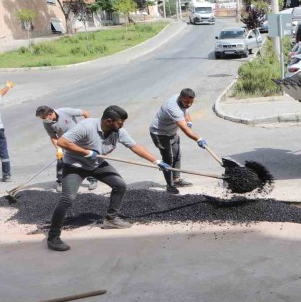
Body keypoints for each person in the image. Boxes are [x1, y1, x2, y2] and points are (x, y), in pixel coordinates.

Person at [47, 105, 170, 252]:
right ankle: (53, 237)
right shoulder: (86, 126)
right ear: (108, 121)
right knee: (68, 198)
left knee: (120, 185)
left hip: (96, 164)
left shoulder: (118, 131)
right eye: (119, 123)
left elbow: (135, 146)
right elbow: (62, 142)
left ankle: (111, 219)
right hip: (75, 165)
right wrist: (85, 152)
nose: (122, 126)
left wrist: (156, 161)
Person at [149, 88, 208, 194]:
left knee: (177, 156)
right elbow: (185, 129)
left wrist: (188, 121)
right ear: (180, 98)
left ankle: (176, 180)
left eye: (191, 102)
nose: (189, 104)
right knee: (168, 160)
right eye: (186, 102)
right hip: (160, 134)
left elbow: (185, 111)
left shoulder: (183, 100)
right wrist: (198, 139)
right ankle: (170, 185)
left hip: (171, 133)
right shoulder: (173, 107)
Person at [35, 105, 98, 192]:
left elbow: (85, 113)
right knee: (60, 159)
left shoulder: (65, 111)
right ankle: (61, 181)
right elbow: (53, 136)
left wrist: (88, 127)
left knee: (87, 158)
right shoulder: (46, 123)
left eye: (44, 118)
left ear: (51, 114)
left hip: (79, 139)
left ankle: (93, 179)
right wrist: (59, 148)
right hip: (64, 142)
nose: (43, 120)